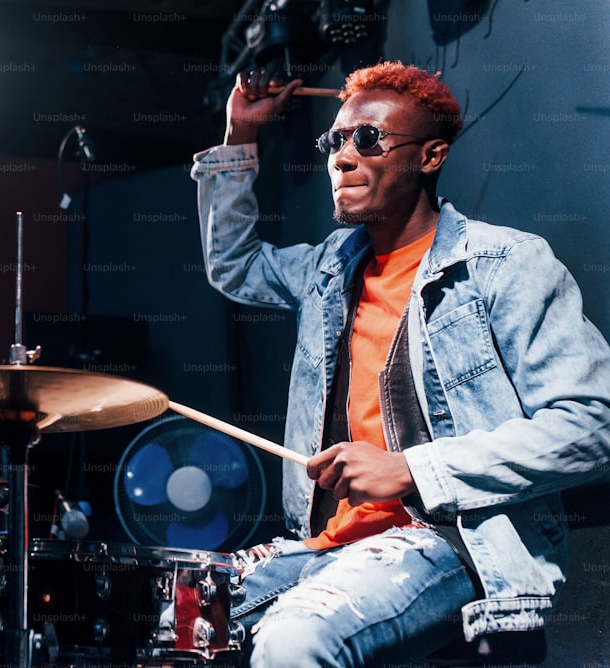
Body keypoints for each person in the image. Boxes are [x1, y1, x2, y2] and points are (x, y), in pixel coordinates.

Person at [190, 61, 610, 667]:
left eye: (368, 139)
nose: (342, 157)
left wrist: (413, 471)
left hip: (454, 542)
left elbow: (592, 426)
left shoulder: (505, 264)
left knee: (294, 639)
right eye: (336, 140)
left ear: (431, 156)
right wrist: (241, 135)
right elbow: (235, 266)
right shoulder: (328, 269)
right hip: (331, 545)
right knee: (178, 623)